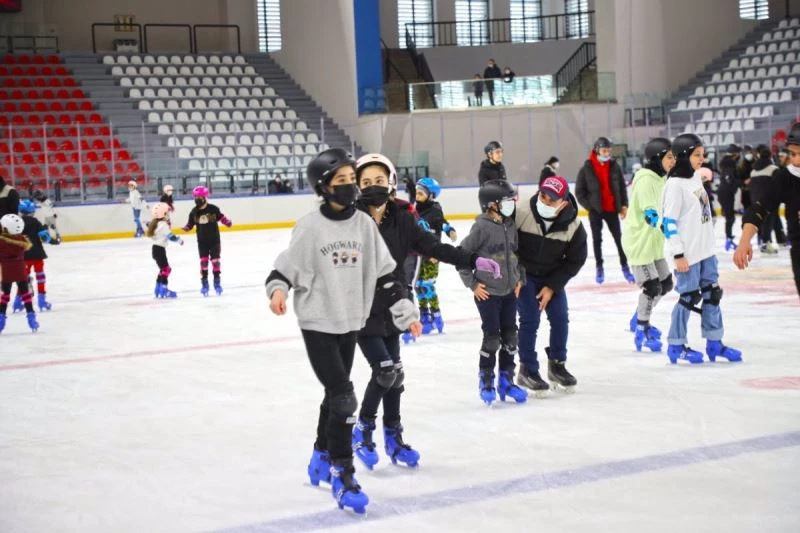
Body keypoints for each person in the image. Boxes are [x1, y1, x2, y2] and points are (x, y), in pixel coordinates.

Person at [265, 148, 418, 514]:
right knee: (344, 397)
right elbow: (284, 269)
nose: (350, 187)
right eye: (342, 182)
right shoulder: (310, 226)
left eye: (353, 180)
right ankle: (342, 472)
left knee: (335, 397)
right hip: (318, 322)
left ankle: (320, 452)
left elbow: (386, 274)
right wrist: (278, 291)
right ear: (324, 187)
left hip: (351, 321)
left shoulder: (364, 225)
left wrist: (404, 310)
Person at [350, 153, 500, 470]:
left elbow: (434, 247)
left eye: (378, 180)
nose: (372, 186)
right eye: (366, 182)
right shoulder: (349, 220)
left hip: (395, 306)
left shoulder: (404, 217)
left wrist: (471, 260)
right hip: (361, 310)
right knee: (385, 371)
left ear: (390, 182)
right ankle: (362, 430)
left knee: (396, 375)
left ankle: (393, 436)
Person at [661, 134, 741, 364]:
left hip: (706, 250)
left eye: (703, 154)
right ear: (684, 156)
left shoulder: (695, 178)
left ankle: (714, 343)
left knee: (712, 294)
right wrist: (678, 254)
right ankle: (676, 345)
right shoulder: (674, 186)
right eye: (697, 155)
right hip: (687, 254)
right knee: (688, 297)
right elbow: (669, 223)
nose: (702, 159)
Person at [515, 176, 587, 395]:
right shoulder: (521, 212)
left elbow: (576, 259)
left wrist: (553, 286)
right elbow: (506, 246)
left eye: (551, 199)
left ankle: (557, 364)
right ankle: (527, 368)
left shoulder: (573, 225)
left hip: (551, 277)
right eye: (543, 195)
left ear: (563, 203)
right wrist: (515, 273)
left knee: (559, 317)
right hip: (524, 275)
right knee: (530, 317)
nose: (544, 202)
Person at [459, 179, 528, 406]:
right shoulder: (481, 227)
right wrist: (472, 284)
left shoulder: (509, 224)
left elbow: (517, 255)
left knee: (510, 337)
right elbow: (462, 256)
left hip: (509, 291)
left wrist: (520, 279)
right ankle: (486, 379)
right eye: (507, 200)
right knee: (491, 338)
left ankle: (506, 380)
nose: (512, 204)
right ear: (492, 204)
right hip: (488, 292)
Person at [621, 138, 676, 353]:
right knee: (652, 287)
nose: (673, 161)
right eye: (669, 157)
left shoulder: (660, 178)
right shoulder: (645, 180)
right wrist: (668, 229)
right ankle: (642, 330)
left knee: (665, 283)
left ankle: (639, 317)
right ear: (657, 158)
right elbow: (650, 214)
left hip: (653, 243)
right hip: (640, 243)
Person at [733, 123, 800, 299]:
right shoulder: (785, 177)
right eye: (793, 154)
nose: (797, 160)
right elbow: (759, 208)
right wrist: (745, 240)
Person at [575, 136, 634, 284]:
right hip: (596, 210)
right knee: (597, 240)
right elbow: (579, 192)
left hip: (612, 209)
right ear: (597, 150)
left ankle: (625, 266)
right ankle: (599, 267)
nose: (607, 153)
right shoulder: (586, 168)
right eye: (604, 150)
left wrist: (623, 205)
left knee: (619, 239)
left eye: (609, 150)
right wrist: (590, 207)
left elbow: (621, 187)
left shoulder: (615, 166)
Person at [414, 177, 458, 334]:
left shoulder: (435, 210)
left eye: (421, 192)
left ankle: (436, 315)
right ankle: (425, 316)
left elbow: (443, 223)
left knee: (427, 285)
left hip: (432, 254)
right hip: (418, 254)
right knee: (418, 286)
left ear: (430, 195)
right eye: (416, 192)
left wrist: (450, 230)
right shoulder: (415, 209)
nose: (417, 195)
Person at [182, 186, 233, 296]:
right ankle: (204, 283)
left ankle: (217, 282)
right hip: (202, 241)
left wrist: (227, 222)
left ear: (205, 197)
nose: (197, 199)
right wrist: (186, 228)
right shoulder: (194, 211)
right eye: (195, 197)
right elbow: (190, 224)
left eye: (199, 197)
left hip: (214, 240)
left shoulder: (213, 209)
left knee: (215, 262)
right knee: (204, 262)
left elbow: (221, 217)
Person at [0, 214, 39, 333]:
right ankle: (31, 318)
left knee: (5, 296)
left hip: (6, 272)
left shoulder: (2, 242)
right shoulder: (21, 240)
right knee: (26, 294)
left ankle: (1, 319)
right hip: (21, 270)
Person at [16, 200, 53, 313]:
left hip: (23, 257)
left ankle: (17, 302)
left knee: (23, 280)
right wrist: (54, 240)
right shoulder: (36, 222)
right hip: (37, 255)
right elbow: (45, 238)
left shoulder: (17, 223)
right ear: (32, 211)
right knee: (40, 277)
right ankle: (42, 301)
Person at [748, 145, 785, 253]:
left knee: (762, 221)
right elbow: (780, 184)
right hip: (769, 199)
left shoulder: (753, 171)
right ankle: (766, 243)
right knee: (769, 221)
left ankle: (765, 242)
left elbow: (752, 187)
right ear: (770, 156)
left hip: (756, 199)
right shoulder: (773, 169)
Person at [146, 202, 183, 299]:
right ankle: (164, 289)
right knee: (166, 269)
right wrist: (179, 240)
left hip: (155, 249)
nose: (168, 215)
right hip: (159, 250)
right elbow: (171, 237)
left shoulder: (155, 223)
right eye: (167, 213)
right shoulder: (163, 225)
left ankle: (158, 287)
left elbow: (148, 224)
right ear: (164, 214)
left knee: (163, 269)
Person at [717, 144, 741, 252]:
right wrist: (741, 182)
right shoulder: (730, 163)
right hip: (726, 193)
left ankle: (729, 237)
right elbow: (729, 178)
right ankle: (728, 239)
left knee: (730, 217)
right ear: (735, 153)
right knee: (730, 217)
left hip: (725, 192)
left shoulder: (726, 162)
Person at [739, 144, 754, 211]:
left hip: (754, 191)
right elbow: (739, 179)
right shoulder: (741, 165)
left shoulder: (756, 163)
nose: (748, 154)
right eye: (746, 152)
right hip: (745, 191)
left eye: (750, 152)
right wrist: (744, 182)